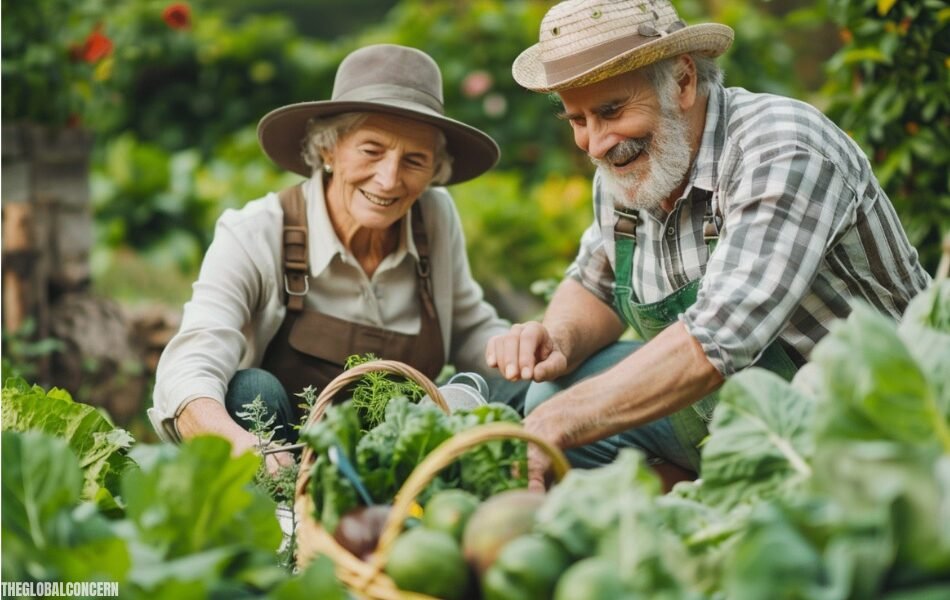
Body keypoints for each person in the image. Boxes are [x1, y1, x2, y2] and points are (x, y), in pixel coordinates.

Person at [487, 0, 932, 490]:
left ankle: (756, 502)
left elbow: (720, 337)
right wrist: (558, 339)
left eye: (611, 110)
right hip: (730, 415)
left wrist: (560, 421)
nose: (595, 143)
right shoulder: (628, 168)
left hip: (868, 421)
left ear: (682, 80)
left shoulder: (782, 149)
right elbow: (596, 281)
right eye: (578, 120)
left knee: (560, 416)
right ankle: (691, 501)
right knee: (551, 394)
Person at [150, 44, 524, 472]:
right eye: (371, 150)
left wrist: (520, 351)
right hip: (287, 459)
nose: (388, 179)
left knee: (520, 393)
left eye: (415, 160)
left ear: (435, 170)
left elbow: (469, 328)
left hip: (404, 458)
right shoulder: (256, 232)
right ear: (329, 149)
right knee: (249, 390)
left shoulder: (434, 218)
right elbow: (189, 365)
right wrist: (238, 445)